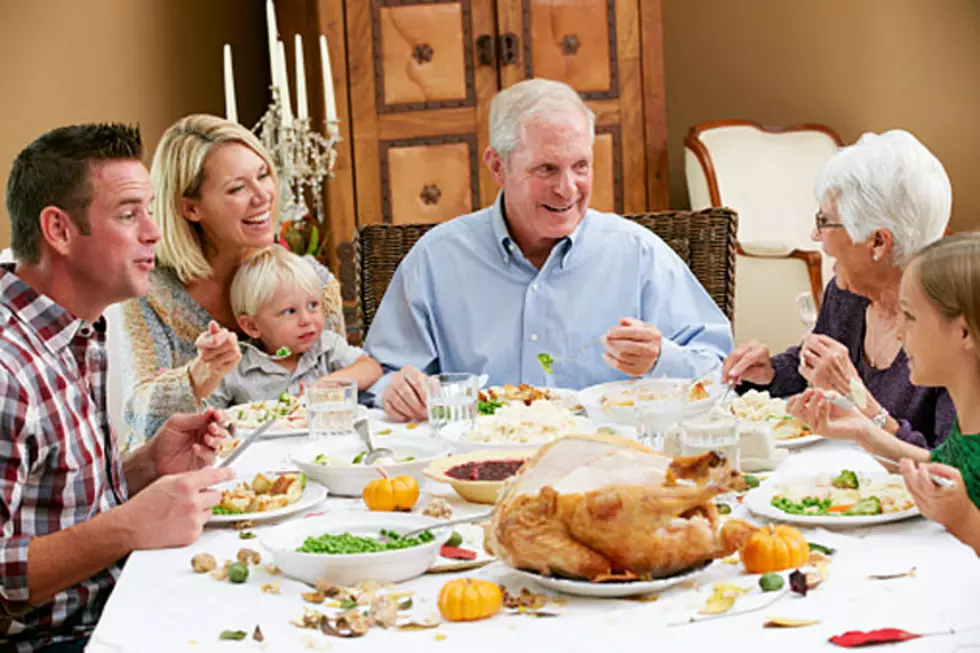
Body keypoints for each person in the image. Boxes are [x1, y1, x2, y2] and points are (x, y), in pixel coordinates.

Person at [364, 78, 733, 422]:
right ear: (497, 166)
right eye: (547, 169)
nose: (568, 189)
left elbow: (719, 369)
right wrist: (393, 390)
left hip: (608, 467)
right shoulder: (436, 259)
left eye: (581, 166)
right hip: (474, 468)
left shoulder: (638, 254)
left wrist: (659, 359)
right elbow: (379, 374)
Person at [0, 123, 234, 653]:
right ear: (58, 231)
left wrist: (146, 467)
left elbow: (51, 508)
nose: (154, 232)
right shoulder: (7, 371)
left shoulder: (79, 330)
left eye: (150, 211)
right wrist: (128, 528)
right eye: (129, 214)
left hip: (121, 604)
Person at [120, 115, 346, 446]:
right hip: (187, 472)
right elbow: (141, 417)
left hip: (302, 462)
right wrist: (200, 375)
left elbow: (341, 388)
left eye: (263, 175)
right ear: (191, 209)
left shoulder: (311, 281)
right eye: (237, 188)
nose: (263, 196)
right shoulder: (150, 294)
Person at [722, 130, 954, 449]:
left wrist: (862, 402)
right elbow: (820, 366)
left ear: (877, 241)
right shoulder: (847, 295)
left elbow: (952, 473)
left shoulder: (953, 326)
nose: (815, 235)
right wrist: (771, 373)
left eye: (824, 221)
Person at [789, 233, 980, 555]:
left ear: (962, 331)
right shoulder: (967, 421)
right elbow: (940, 467)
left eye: (910, 316)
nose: (900, 331)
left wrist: (964, 521)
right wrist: (863, 430)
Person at [203, 246, 382, 407]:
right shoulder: (237, 368)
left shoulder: (326, 348)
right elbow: (203, 410)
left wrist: (333, 382)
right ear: (252, 326)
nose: (306, 320)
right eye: (289, 311)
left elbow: (371, 368)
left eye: (313, 305)